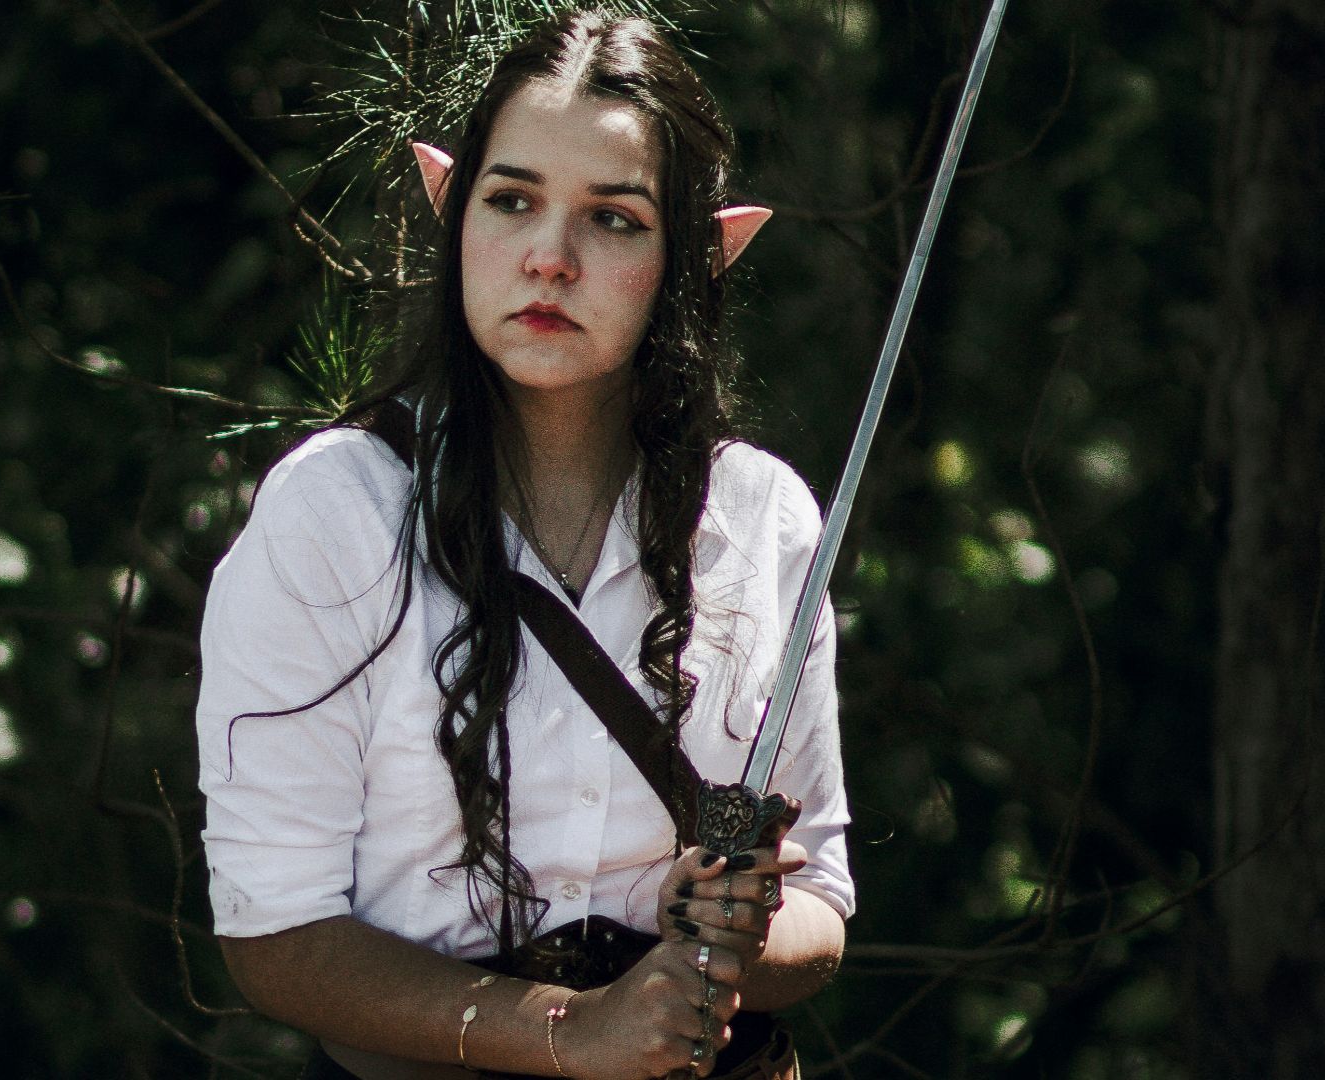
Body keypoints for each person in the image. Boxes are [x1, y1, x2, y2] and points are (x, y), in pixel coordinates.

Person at [195, 10, 853, 1078]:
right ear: (451, 208)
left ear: (699, 256)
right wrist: (570, 1031)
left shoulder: (764, 517)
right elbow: (274, 935)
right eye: (511, 201)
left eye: (615, 219)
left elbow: (819, 902)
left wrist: (737, 928)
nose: (549, 258)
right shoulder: (332, 513)